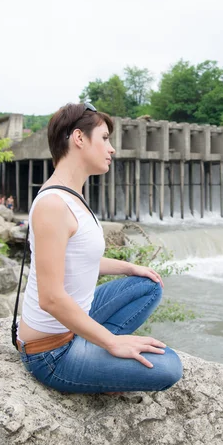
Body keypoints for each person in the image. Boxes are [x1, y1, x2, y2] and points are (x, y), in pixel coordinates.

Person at [17, 102, 182, 393]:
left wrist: (129, 267)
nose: (112, 148)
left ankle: (91, 345)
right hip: (50, 353)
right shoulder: (53, 205)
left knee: (148, 285)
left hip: (71, 329)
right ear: (79, 138)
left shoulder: (72, 195)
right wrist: (111, 341)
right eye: (104, 138)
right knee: (169, 367)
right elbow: (50, 298)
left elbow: (79, 258)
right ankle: (96, 351)